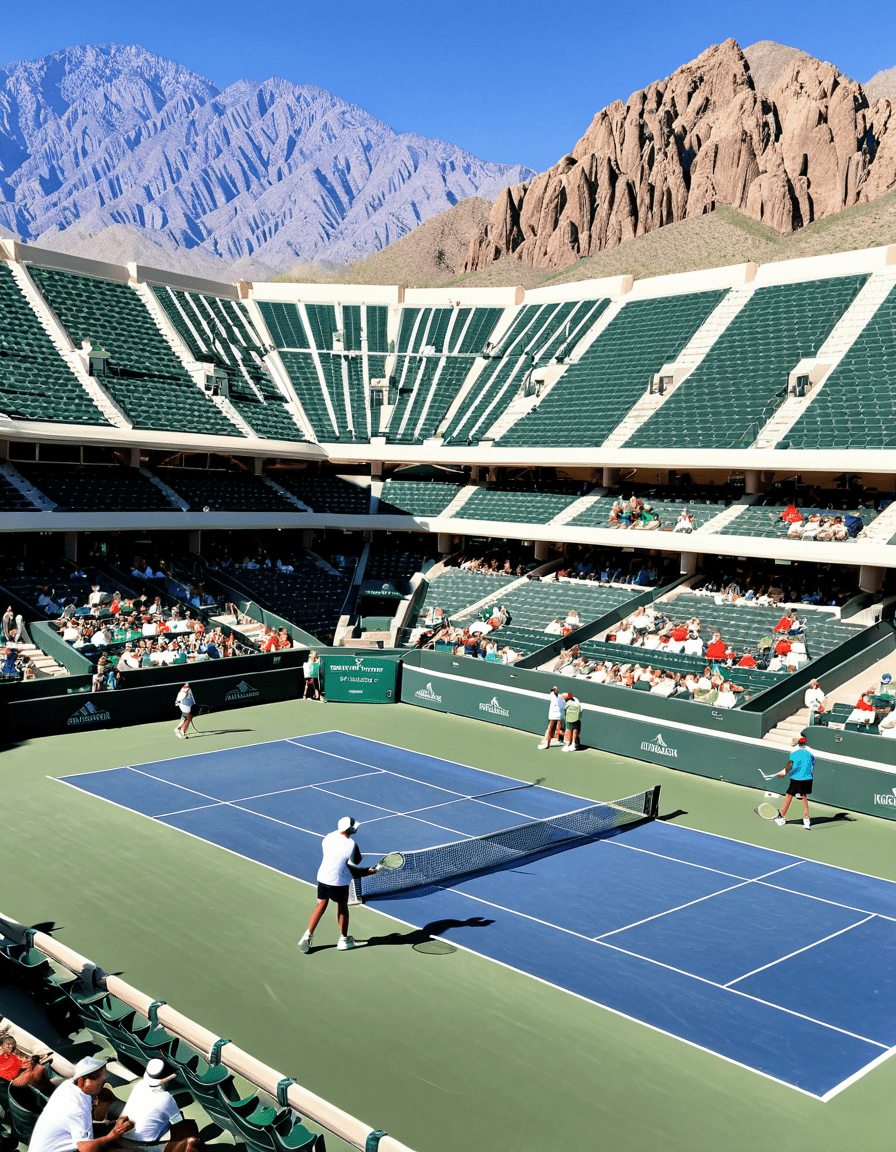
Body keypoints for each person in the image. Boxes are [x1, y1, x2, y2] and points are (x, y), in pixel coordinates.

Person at [299, 817, 379, 954]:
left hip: (323, 878)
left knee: (321, 904)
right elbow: (356, 864)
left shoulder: (328, 837)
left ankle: (307, 935)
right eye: (353, 826)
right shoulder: (352, 845)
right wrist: (369, 871)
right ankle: (343, 940)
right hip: (338, 883)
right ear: (349, 828)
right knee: (342, 907)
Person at [28, 1056, 133, 1152]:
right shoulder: (77, 1110)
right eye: (100, 1081)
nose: (104, 1083)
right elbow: (86, 1149)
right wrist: (113, 1135)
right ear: (82, 1081)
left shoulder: (68, 1086)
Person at [120, 1060, 201, 1152]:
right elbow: (178, 1122)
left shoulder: (139, 1084)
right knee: (187, 1126)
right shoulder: (167, 1098)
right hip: (144, 1144)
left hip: (124, 1136)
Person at [774, 736, 815, 829]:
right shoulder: (810, 751)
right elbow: (813, 763)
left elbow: (790, 766)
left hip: (796, 778)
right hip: (808, 778)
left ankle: (782, 817)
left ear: (797, 743)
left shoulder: (794, 751)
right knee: (803, 796)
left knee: (789, 795)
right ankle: (806, 821)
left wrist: (783, 772)